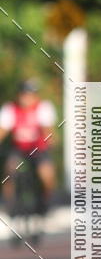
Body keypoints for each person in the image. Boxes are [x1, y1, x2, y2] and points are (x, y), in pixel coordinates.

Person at [0, 79, 57, 217]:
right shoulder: (10, 109)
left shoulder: (43, 108)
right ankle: (10, 204)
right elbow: (2, 131)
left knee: (46, 173)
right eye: (24, 94)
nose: (27, 98)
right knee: (10, 170)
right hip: (18, 148)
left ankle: (46, 200)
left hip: (39, 148)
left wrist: (51, 140)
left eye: (30, 94)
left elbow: (48, 130)